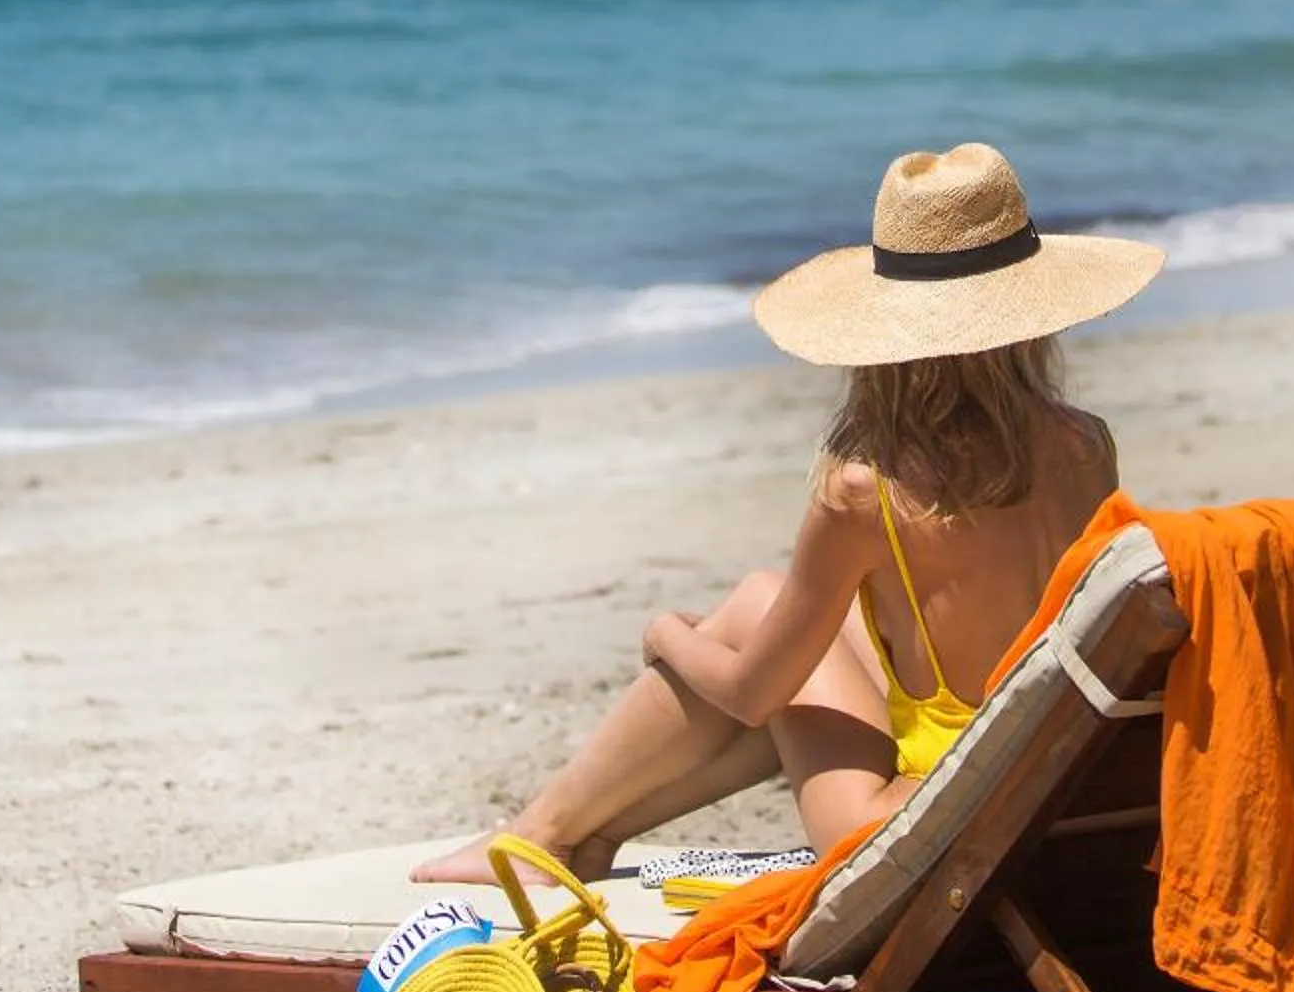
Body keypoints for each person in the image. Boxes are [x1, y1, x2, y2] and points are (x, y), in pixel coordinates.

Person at [413, 144, 1163, 886]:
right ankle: (579, 833)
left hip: (916, 827)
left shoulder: (870, 493)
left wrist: (666, 635)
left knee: (754, 612)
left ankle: (536, 835)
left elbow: (753, 695)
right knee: (792, 622)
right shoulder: (1083, 445)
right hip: (1045, 783)